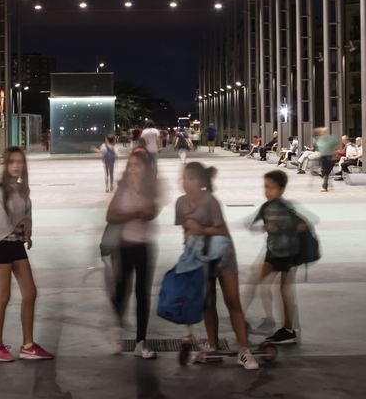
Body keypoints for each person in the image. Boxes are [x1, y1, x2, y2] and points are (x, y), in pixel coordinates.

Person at [174, 161, 258, 371]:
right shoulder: (180, 203)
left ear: (199, 181)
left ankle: (244, 351)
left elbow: (221, 231)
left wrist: (200, 229)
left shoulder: (210, 201)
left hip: (223, 256)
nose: (184, 182)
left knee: (232, 301)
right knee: (208, 302)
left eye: (189, 178)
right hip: (201, 258)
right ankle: (213, 346)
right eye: (183, 177)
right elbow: (186, 232)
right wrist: (188, 252)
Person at [0, 146, 51, 362]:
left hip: (16, 245)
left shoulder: (23, 190)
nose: (16, 166)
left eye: (20, 162)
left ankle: (28, 345)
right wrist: (18, 229)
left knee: (30, 293)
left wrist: (26, 231)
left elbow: (26, 215)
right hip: (1, 245)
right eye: (12, 162)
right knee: (3, 296)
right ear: (5, 165)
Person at [104, 150, 159, 359]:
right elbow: (110, 214)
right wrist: (134, 213)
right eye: (131, 165)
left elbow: (150, 213)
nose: (134, 169)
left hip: (144, 246)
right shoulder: (122, 188)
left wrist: (131, 213)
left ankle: (140, 342)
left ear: (145, 168)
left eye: (138, 165)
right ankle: (117, 331)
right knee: (122, 290)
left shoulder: (149, 188)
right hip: (123, 246)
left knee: (142, 294)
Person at [246, 170, 311, 345]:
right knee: (272, 286)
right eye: (265, 187)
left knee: (273, 286)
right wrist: (265, 228)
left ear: (282, 189)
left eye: (271, 187)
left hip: (287, 254)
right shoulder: (266, 207)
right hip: (274, 252)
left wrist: (286, 228)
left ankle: (285, 328)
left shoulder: (285, 208)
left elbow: (303, 224)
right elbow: (252, 225)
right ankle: (286, 328)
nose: (267, 191)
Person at [311, 127, 341, 192]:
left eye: (323, 132)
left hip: (330, 157)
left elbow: (336, 143)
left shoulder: (331, 138)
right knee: (326, 173)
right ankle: (325, 185)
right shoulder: (319, 139)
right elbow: (317, 148)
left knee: (326, 173)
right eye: (321, 132)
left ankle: (323, 178)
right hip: (323, 157)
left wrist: (334, 150)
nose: (322, 133)